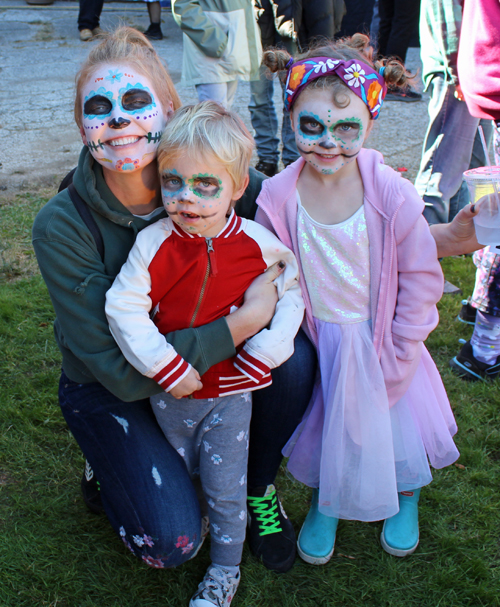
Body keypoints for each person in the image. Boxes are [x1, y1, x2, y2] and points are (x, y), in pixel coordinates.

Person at [32, 26, 318, 583]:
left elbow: (318, 218)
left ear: (169, 109)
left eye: (137, 102)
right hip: (112, 383)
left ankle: (256, 486)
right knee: (173, 542)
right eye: (99, 107)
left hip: (197, 366)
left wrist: (412, 221)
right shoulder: (63, 225)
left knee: (296, 362)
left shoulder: (226, 180)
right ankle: (109, 462)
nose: (119, 121)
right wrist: (245, 322)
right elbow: (113, 366)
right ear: (80, 122)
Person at [255, 34, 460, 564]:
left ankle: (404, 494)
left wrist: (403, 346)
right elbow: (269, 269)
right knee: (334, 429)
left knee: (395, 431)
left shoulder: (389, 192)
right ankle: (331, 497)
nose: (329, 143)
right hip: (323, 338)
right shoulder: (278, 196)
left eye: (347, 129)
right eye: (311, 126)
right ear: (291, 113)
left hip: (384, 341)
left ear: (371, 122)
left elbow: (418, 276)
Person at [105, 101, 304, 606]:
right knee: (182, 484)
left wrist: (265, 352)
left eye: (205, 185)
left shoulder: (259, 245)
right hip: (167, 396)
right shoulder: (153, 243)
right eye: (172, 182)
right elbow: (122, 306)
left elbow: (291, 292)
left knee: (226, 488)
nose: (186, 198)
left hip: (231, 400)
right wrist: (166, 366)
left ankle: (224, 570)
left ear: (238, 186)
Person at [449, 0, 500, 381]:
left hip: (487, 77)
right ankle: (485, 347)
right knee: (496, 225)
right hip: (492, 77)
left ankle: (476, 307)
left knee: (495, 218)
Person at [172, 0, 262, 108]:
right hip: (212, 46)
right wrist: (214, 40)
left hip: (230, 42)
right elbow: (183, 6)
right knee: (214, 116)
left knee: (222, 114)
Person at [249, 0, 300, 177]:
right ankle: (267, 159)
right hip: (258, 24)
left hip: (293, 24)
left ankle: (293, 159)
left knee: (294, 97)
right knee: (259, 98)